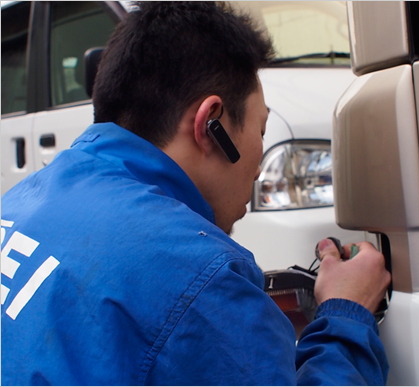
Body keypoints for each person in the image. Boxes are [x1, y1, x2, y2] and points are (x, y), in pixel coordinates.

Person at [0, 2, 391, 385]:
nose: (257, 167)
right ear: (210, 124)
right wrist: (345, 313)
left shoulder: (19, 201)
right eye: (260, 130)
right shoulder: (203, 280)